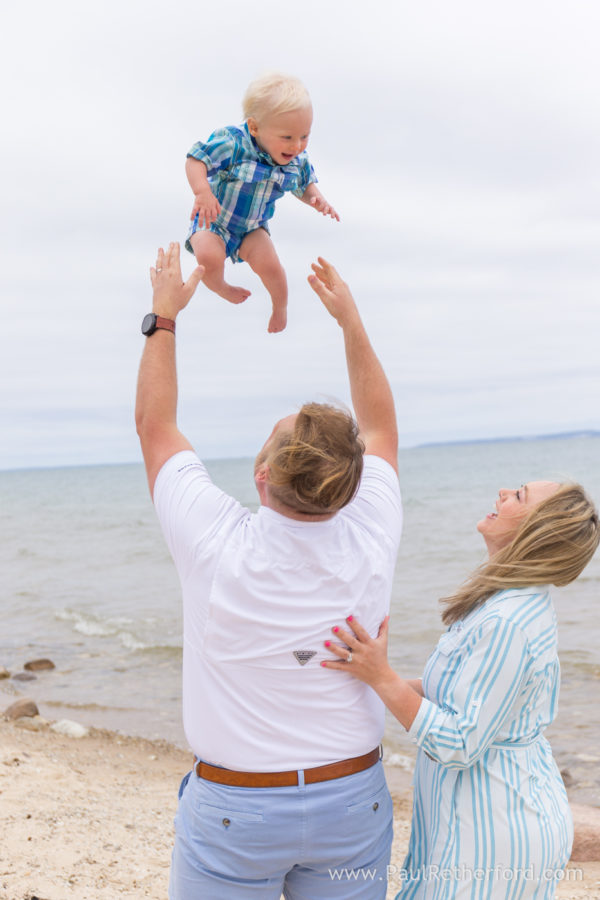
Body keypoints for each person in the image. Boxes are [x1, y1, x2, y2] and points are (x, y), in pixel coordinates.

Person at [135, 243, 402, 899]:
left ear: (261, 476)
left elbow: (154, 425)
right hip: (351, 801)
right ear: (350, 485)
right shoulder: (371, 531)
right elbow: (381, 428)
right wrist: (351, 322)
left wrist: (164, 316)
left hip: (239, 811)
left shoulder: (215, 541)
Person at [323, 479, 600, 899]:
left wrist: (381, 678)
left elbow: (458, 741)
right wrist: (367, 676)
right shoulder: (501, 602)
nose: (503, 492)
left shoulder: (507, 622)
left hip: (493, 826)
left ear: (536, 532)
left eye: (519, 496)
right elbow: (459, 694)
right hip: (480, 813)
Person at [185, 71, 339, 334]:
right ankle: (221, 286)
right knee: (208, 257)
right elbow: (196, 159)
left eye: (304, 136)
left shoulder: (297, 161)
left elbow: (303, 185)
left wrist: (316, 198)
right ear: (255, 128)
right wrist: (202, 192)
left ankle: (280, 307)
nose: (297, 145)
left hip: (252, 228)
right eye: (287, 137)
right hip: (214, 221)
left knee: (272, 267)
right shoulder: (233, 143)